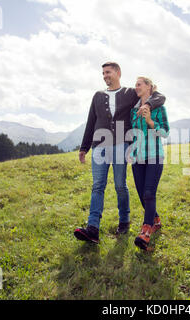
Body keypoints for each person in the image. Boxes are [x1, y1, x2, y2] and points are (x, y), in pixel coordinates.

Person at [74, 62, 166, 244]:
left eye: (108, 72)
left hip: (120, 145)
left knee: (119, 185)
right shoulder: (98, 96)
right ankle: (93, 228)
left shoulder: (130, 93)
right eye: (103, 73)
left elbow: (160, 96)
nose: (104, 75)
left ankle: (124, 221)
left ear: (118, 73)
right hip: (100, 146)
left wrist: (147, 104)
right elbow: (91, 121)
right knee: (97, 185)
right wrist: (85, 147)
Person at [129, 77, 169, 251]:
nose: (136, 87)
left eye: (139, 84)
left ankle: (146, 231)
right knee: (140, 194)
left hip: (154, 156)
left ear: (149, 87)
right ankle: (156, 220)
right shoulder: (133, 111)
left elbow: (165, 132)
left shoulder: (159, 109)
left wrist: (151, 122)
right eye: (135, 84)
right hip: (137, 158)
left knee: (148, 193)